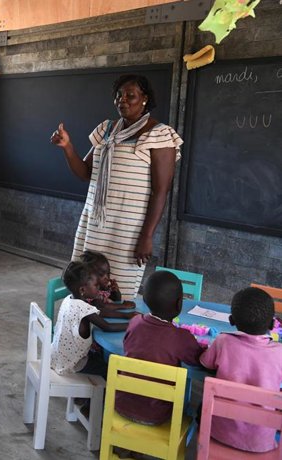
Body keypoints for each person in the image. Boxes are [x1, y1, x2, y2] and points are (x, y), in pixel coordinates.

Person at [50, 74, 183, 300]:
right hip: (94, 221)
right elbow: (85, 173)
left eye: (130, 95)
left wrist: (147, 236)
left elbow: (161, 191)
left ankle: (109, 333)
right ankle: (81, 329)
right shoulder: (107, 130)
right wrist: (67, 146)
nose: (123, 100)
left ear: (144, 99)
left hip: (127, 228)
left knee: (118, 289)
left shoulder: (159, 134)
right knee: (84, 283)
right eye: (119, 96)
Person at [114, 270, 203, 425]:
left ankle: (131, 446)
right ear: (179, 303)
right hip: (156, 414)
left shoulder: (135, 323)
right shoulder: (181, 337)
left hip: (121, 406)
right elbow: (199, 360)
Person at [200, 287, 282, 453]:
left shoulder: (222, 342)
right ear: (273, 324)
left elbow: (205, 364)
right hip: (261, 444)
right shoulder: (279, 352)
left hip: (217, 433)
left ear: (231, 320)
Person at [50, 261, 135, 376]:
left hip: (57, 357)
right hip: (74, 364)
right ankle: (105, 393)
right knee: (114, 372)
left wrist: (126, 315)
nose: (98, 288)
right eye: (96, 286)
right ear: (82, 290)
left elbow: (101, 312)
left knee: (102, 357)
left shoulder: (69, 300)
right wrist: (134, 324)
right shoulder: (83, 309)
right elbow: (108, 327)